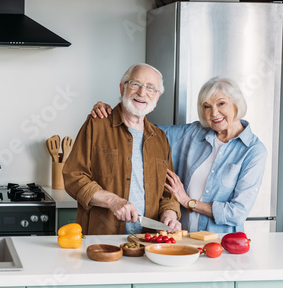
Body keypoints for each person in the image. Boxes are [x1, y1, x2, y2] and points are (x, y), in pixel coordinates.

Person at [91, 76, 267, 233]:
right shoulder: (192, 133)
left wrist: (188, 201)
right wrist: (112, 113)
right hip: (181, 237)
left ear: (236, 103)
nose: (214, 113)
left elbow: (236, 213)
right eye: (207, 106)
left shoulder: (253, 151)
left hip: (221, 244)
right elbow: (144, 129)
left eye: (221, 104)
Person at [63, 63, 181, 235]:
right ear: (122, 88)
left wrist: (169, 214)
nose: (142, 93)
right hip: (103, 241)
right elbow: (73, 176)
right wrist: (112, 201)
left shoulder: (161, 138)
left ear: (157, 96)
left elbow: (168, 193)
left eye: (150, 88)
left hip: (149, 241)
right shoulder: (96, 125)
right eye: (135, 84)